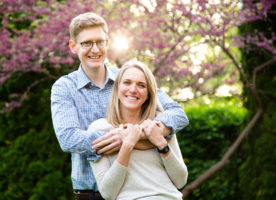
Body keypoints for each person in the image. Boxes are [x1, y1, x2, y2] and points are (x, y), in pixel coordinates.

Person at [50, 12, 189, 200]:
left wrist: (152, 131)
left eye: (100, 41)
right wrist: (120, 138)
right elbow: (68, 138)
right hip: (92, 193)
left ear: (108, 43)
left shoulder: (129, 81)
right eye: (86, 43)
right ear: (73, 46)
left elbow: (178, 114)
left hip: (135, 191)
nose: (95, 49)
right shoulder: (64, 87)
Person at [88, 60, 188, 200]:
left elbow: (180, 180)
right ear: (117, 88)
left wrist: (160, 143)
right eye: (127, 83)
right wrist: (127, 145)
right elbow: (107, 193)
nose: (133, 90)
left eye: (141, 85)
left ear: (148, 94)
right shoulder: (99, 129)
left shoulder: (160, 124)